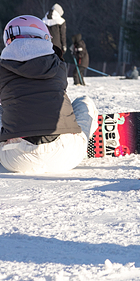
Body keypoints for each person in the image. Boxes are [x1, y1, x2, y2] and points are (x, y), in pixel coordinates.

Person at [0, 15, 99, 175]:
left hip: (16, 158)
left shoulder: (2, 66)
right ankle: (85, 134)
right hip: (66, 154)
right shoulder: (58, 64)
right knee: (83, 101)